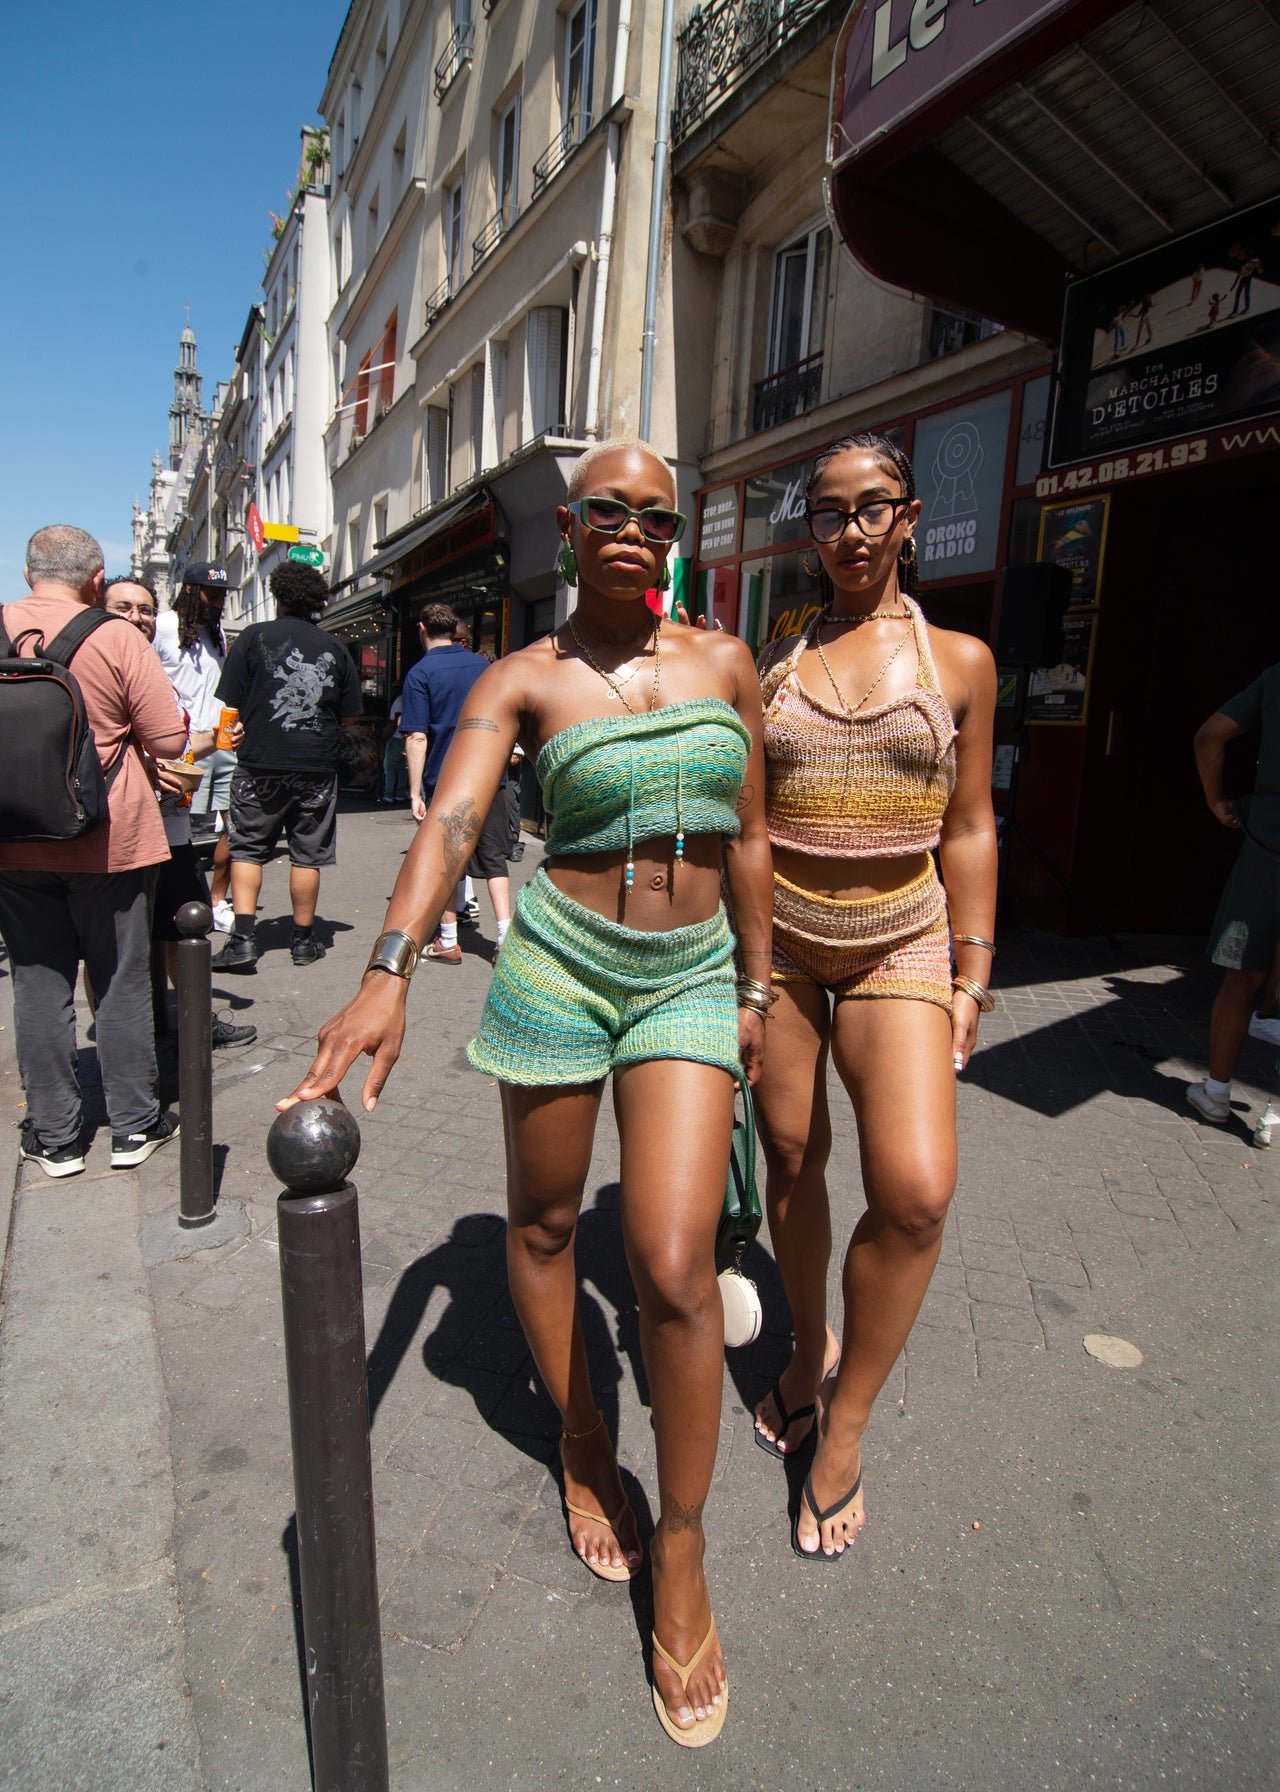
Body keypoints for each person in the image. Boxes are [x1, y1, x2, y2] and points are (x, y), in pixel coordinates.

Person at [279, 440, 772, 1748]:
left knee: (671, 1268)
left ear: (675, 532)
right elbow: (450, 822)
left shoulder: (725, 661)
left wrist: (759, 987)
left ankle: (682, 1546)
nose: (632, 528)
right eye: (608, 510)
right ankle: (580, 1435)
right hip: (558, 962)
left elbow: (751, 835)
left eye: (655, 514)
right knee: (545, 1224)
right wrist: (388, 970)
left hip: (687, 975)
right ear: (568, 526)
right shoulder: (521, 676)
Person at [747, 432, 997, 1563]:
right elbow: (745, 822)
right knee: (790, 1154)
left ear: (907, 518)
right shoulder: (773, 662)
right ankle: (809, 1350)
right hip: (784, 950)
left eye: (872, 507)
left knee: (915, 1193)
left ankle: (843, 1423)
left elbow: (971, 826)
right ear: (809, 530)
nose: (850, 530)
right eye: (828, 511)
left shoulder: (961, 663)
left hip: (904, 938)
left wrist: (973, 968)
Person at [0, 527, 187, 1174]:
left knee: (36, 985)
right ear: (97, 579)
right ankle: (134, 1126)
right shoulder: (114, 636)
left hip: (13, 839)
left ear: (28, 573)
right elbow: (168, 741)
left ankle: (55, 1137)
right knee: (120, 982)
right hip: (109, 838)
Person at [102, 576, 256, 1050]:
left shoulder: (157, 672)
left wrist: (216, 740)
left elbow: (176, 744)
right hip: (119, 834)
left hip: (169, 828)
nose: (137, 617)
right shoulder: (98, 668)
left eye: (145, 609)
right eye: (123, 607)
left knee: (184, 925)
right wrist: (147, 764)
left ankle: (193, 1024)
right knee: (117, 946)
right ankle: (126, 1043)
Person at [211, 562, 362, 972]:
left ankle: (243, 940)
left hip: (260, 760)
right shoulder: (335, 647)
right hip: (316, 765)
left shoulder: (252, 637)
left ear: (277, 595)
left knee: (247, 848)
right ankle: (303, 941)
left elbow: (230, 703)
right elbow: (350, 716)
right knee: (307, 854)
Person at [1186, 664, 1280, 1123]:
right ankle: (1274, 1114)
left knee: (1242, 972)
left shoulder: (1276, 677)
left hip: (1269, 837)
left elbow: (1210, 735)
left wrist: (1215, 799)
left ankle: (1216, 1092)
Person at [400, 603, 511, 961]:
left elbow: (417, 736)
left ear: (422, 628)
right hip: (490, 774)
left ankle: (448, 940)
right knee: (494, 859)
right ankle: (505, 937)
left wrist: (414, 792)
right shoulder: (483, 666)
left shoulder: (420, 673)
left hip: (447, 780)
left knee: (447, 861)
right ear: (454, 630)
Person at [157, 563, 235, 930]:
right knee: (179, 831)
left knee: (235, 827)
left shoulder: (216, 634)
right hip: (181, 746)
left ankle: (216, 901)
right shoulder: (162, 626)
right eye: (211, 593)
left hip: (221, 743)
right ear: (189, 589)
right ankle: (176, 903)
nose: (218, 601)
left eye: (222, 594)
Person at [378, 684, 408, 804]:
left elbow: (395, 720)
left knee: (389, 766)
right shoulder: (411, 698)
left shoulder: (399, 700)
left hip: (396, 737)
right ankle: (400, 795)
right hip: (407, 737)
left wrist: (384, 738)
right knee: (402, 767)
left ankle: (388, 795)